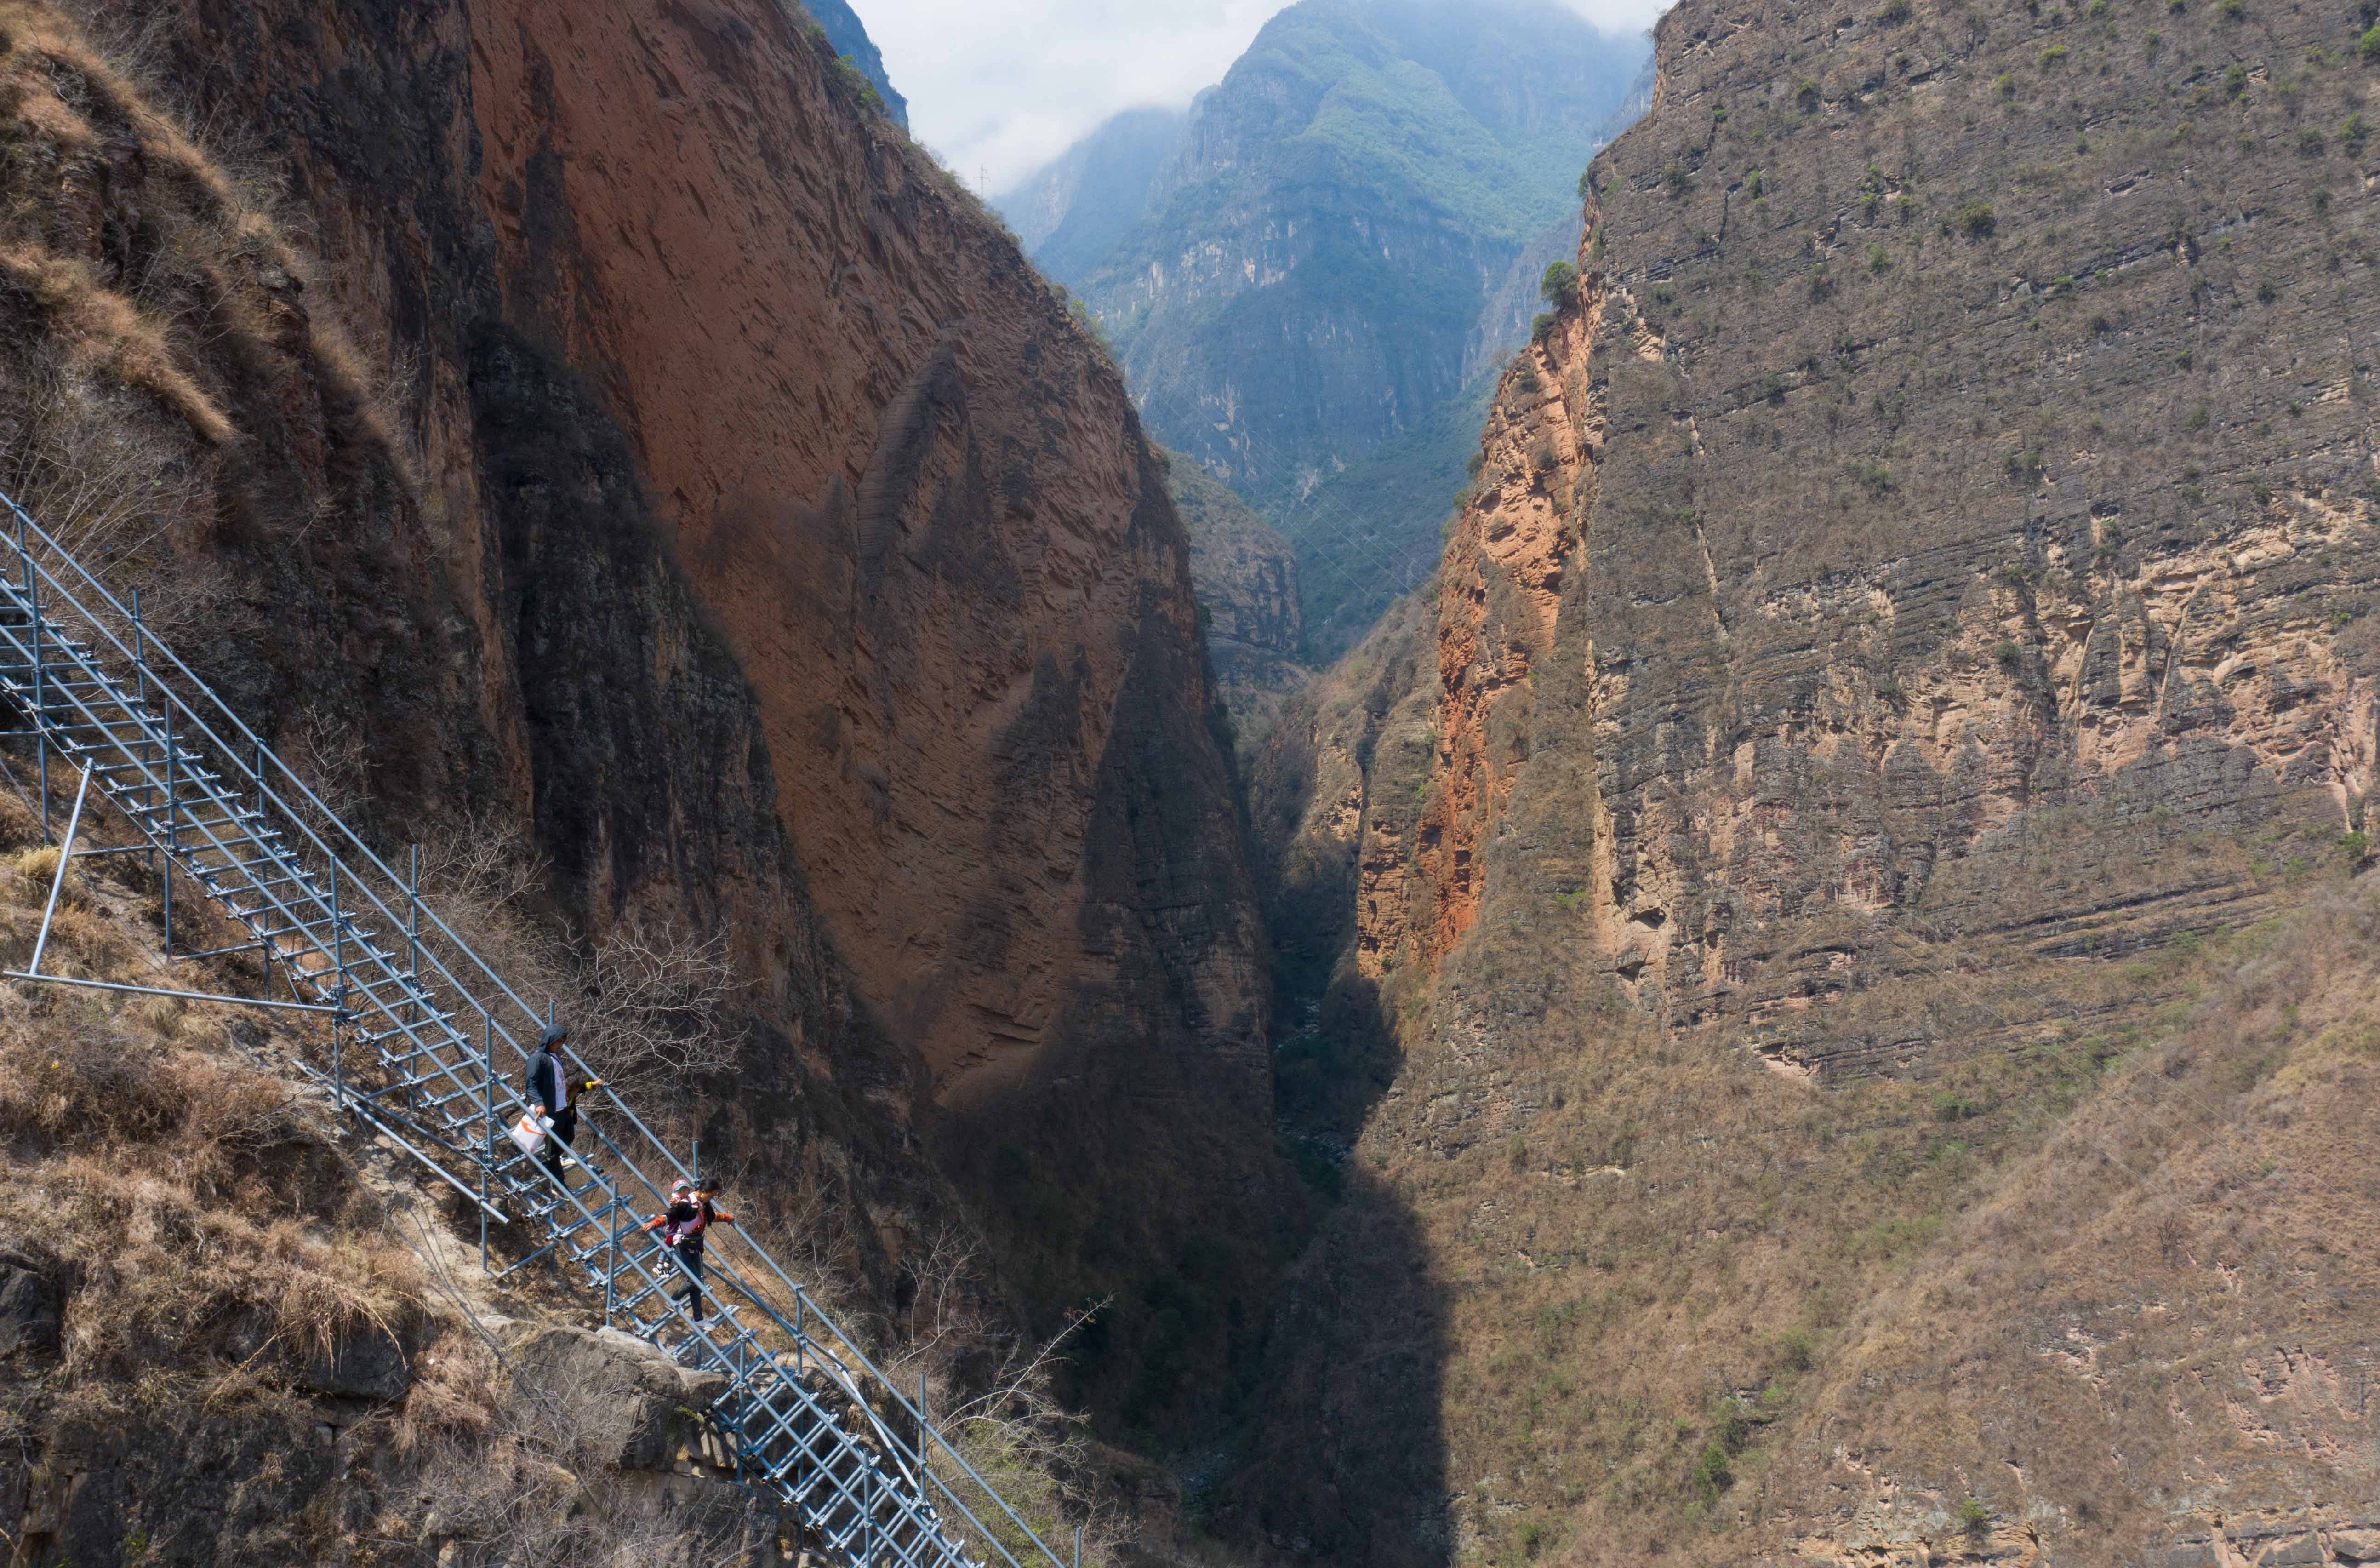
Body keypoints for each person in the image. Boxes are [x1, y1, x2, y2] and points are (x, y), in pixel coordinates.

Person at [642, 1178, 736, 1322]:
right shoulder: (686, 1203)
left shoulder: (704, 1204)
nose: (713, 1198)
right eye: (712, 1195)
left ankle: (698, 1319)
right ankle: (673, 1300)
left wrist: (727, 1218)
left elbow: (711, 1217)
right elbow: (670, 1216)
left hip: (695, 1245)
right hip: (682, 1244)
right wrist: (654, 1224)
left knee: (698, 1283)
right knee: (694, 1281)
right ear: (704, 1192)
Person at [524, 1022, 604, 1183]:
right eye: (559, 1042)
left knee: (568, 1137)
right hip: (551, 1110)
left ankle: (553, 1165)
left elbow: (569, 1086)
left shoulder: (555, 1057)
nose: (561, 1045)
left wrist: (592, 1085)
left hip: (563, 1109)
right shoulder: (537, 1058)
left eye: (562, 1042)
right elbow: (531, 1084)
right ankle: (556, 1180)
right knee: (553, 1148)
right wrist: (539, 1103)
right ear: (550, 1040)